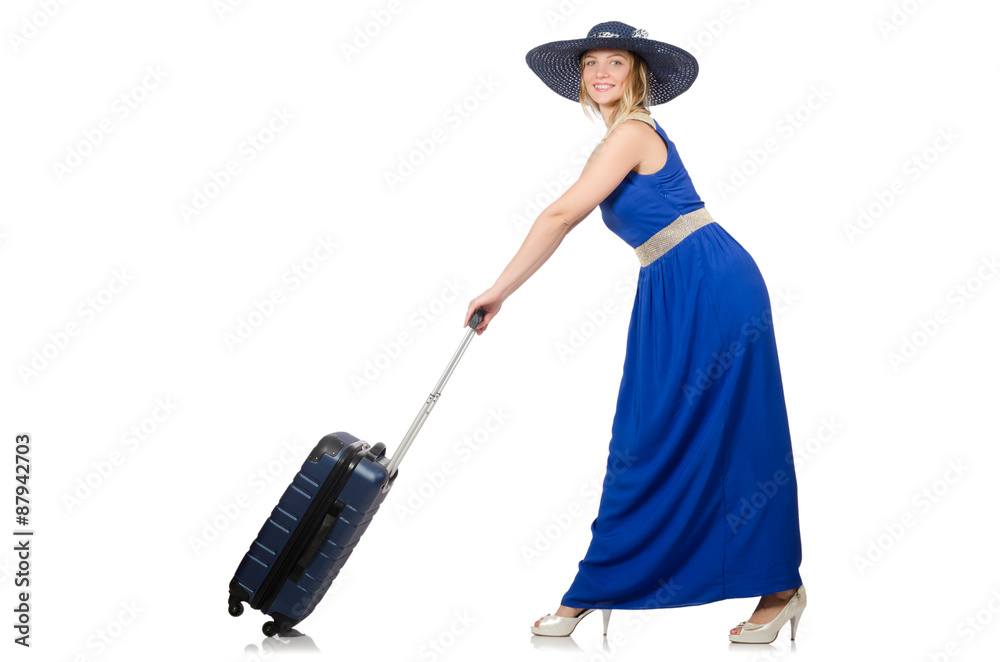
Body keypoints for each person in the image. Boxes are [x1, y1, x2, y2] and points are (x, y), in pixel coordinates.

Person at [462, 21, 806, 644]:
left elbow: (562, 213)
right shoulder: (619, 136)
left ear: (637, 74)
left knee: (717, 434)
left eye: (614, 62)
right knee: (648, 434)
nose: (600, 73)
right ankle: (615, 581)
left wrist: (498, 290)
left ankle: (777, 587)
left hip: (709, 282)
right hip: (671, 285)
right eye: (591, 62)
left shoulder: (633, 132)